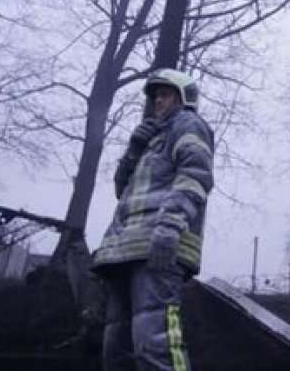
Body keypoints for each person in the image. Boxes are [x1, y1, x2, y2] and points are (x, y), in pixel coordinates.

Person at [91, 68, 214, 371]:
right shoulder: (150, 138)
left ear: (184, 97)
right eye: (155, 96)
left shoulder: (189, 125)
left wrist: (170, 227)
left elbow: (195, 176)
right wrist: (133, 151)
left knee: (156, 345)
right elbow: (122, 190)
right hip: (125, 250)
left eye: (165, 94)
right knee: (116, 351)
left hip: (159, 247)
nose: (157, 101)